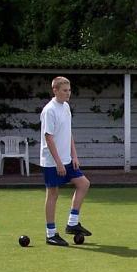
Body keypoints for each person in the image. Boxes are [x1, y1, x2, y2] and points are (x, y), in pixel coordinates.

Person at [40, 76, 92, 246]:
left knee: (83, 184)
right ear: (55, 90)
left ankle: (72, 223)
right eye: (64, 90)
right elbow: (49, 138)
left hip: (67, 159)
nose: (68, 93)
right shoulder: (49, 110)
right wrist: (59, 163)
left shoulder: (66, 107)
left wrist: (74, 156)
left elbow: (68, 133)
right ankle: (51, 234)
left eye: (69, 90)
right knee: (53, 194)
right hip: (52, 162)